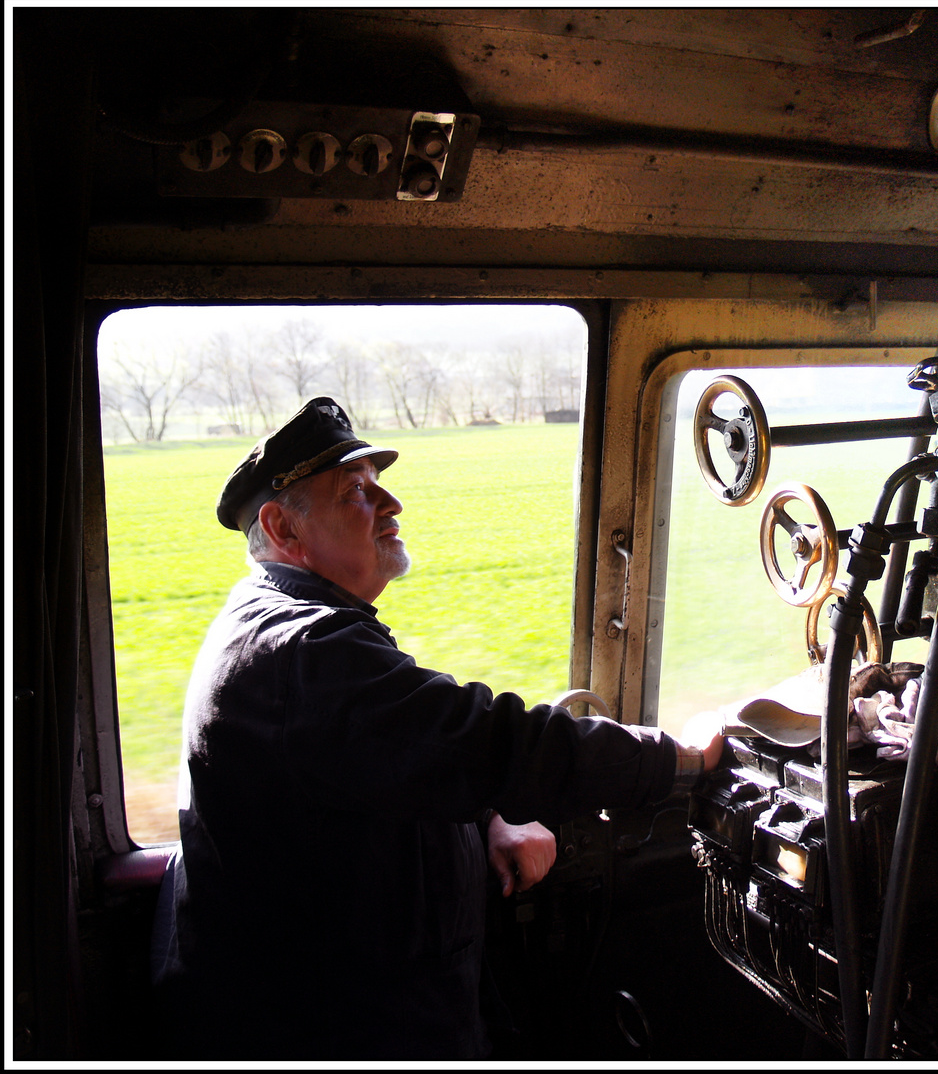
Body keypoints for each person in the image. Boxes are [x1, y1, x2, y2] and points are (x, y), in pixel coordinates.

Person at [150, 397, 723, 1059]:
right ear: (282, 528)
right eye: (357, 491)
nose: (391, 504)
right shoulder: (304, 652)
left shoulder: (285, 627)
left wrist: (487, 818)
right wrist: (680, 758)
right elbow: (487, 742)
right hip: (330, 1029)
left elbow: (403, 754)